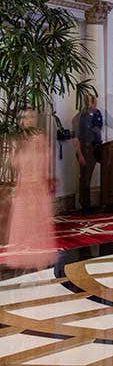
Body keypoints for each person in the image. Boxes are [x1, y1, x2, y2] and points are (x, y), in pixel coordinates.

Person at [5, 108, 57, 269]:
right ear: (21, 120)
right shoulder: (19, 138)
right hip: (24, 183)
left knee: (37, 219)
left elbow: (45, 158)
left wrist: (42, 177)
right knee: (23, 219)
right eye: (25, 117)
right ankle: (25, 257)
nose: (29, 120)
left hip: (36, 184)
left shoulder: (39, 137)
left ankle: (39, 259)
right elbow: (14, 162)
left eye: (32, 117)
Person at [73, 95, 104, 212]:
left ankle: (104, 201)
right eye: (93, 102)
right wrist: (79, 154)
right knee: (85, 178)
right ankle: (85, 205)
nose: (95, 104)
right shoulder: (79, 118)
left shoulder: (97, 114)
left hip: (97, 147)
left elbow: (98, 129)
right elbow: (76, 139)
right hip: (86, 149)